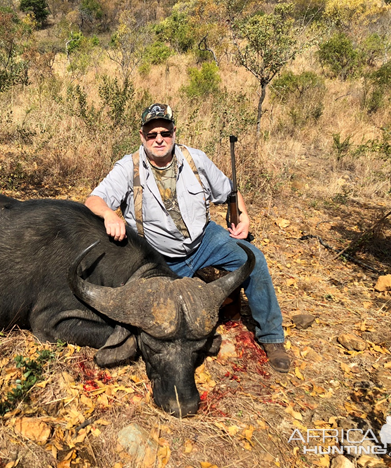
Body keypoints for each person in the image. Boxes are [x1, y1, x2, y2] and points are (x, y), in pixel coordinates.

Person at [85, 103, 290, 373]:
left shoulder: (195, 159)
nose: (159, 139)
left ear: (174, 132)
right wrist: (110, 215)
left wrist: (243, 216)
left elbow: (229, 192)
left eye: (165, 132)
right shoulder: (128, 167)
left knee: (254, 261)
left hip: (204, 240)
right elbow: (93, 200)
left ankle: (272, 337)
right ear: (142, 136)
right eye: (152, 134)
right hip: (157, 256)